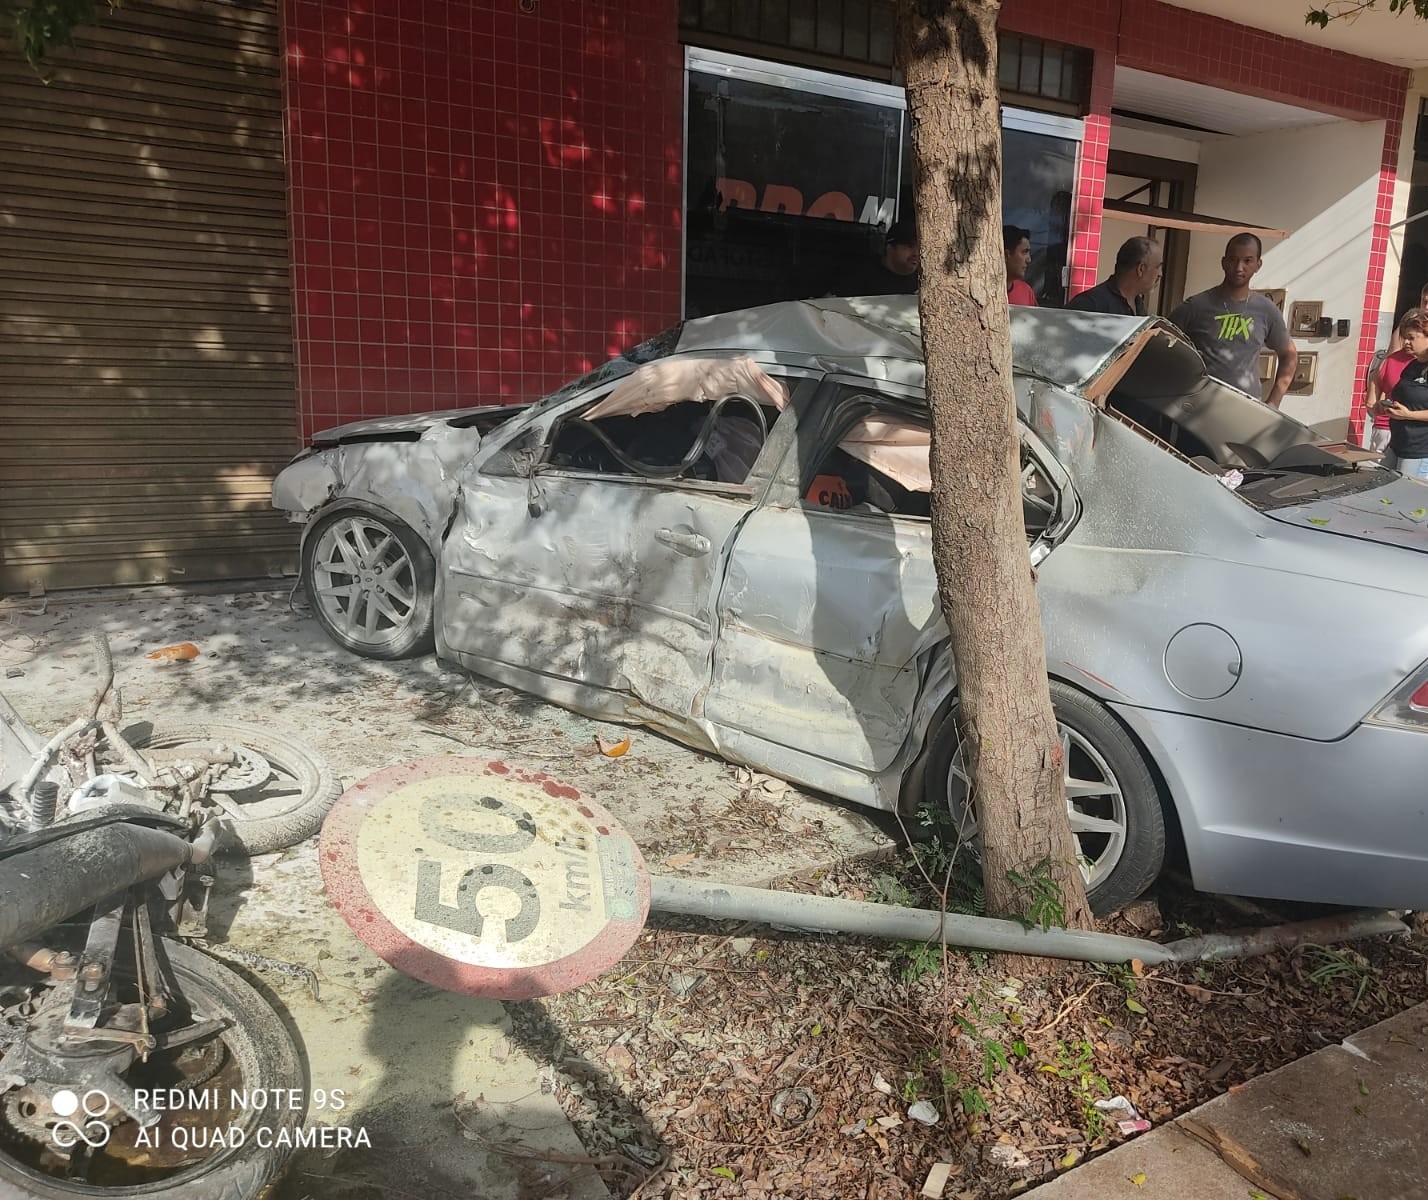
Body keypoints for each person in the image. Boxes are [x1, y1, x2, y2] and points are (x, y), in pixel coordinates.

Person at [1169, 233, 1297, 407]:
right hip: (1197, 409)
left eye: (1247, 261)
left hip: (1244, 413)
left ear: (1258, 265)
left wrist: (1274, 402)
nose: (1239, 267)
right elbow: (1160, 342)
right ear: (1223, 262)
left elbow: (1289, 354)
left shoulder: (1266, 310)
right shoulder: (1196, 306)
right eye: (1233, 260)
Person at [1382, 308, 1428, 481]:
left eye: (1412, 338)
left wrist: (1409, 415)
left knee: (1407, 501)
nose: (1406, 342)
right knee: (1382, 489)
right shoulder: (1412, 366)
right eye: (1405, 338)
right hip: (1398, 444)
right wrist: (1386, 406)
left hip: (1420, 450)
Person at [1068, 237, 1164, 316]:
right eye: (1158, 267)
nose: (1160, 274)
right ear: (1141, 269)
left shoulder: (1139, 306)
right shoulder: (1090, 304)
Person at [840, 218, 919, 297]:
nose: (916, 253)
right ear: (890, 248)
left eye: (920, 248)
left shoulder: (923, 280)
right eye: (909, 246)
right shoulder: (861, 275)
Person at [1004, 225, 1037, 306]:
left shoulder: (1026, 292)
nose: (1029, 260)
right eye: (1024, 252)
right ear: (1006, 255)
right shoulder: (982, 291)